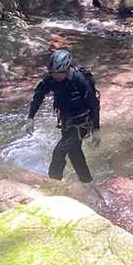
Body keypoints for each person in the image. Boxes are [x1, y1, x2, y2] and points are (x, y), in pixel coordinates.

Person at [27, 48, 101, 184]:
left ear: (67, 69)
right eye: (53, 73)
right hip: (66, 122)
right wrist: (30, 118)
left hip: (82, 124)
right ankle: (87, 182)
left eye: (59, 73)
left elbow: (93, 104)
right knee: (74, 153)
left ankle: (53, 184)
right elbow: (38, 97)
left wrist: (96, 129)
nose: (56, 76)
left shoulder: (80, 80)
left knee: (59, 152)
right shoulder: (51, 80)